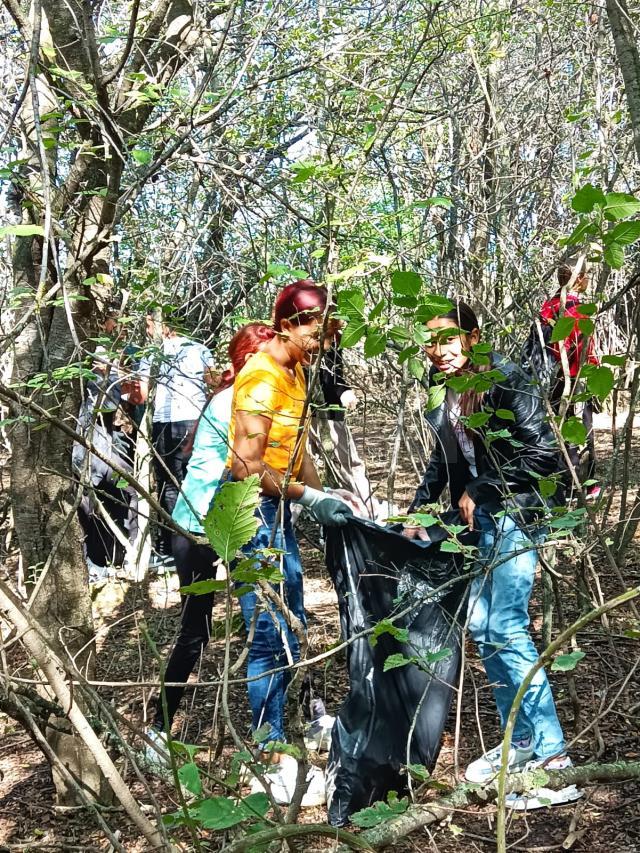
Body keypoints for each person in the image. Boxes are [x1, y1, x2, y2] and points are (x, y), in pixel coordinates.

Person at [403, 300, 583, 810]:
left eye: (447, 338)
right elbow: (445, 459)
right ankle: (521, 742)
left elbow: (546, 452)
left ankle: (553, 762)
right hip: (482, 517)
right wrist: (419, 508)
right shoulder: (447, 392)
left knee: (504, 626)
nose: (437, 351)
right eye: (429, 341)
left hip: (517, 512)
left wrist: (481, 489)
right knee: (484, 628)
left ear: (474, 335)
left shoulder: (505, 376)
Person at [228, 279, 352, 806]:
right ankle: (269, 753)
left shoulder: (297, 372)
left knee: (291, 618)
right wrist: (306, 497)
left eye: (327, 334)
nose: (322, 343)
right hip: (250, 512)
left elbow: (296, 449)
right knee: (267, 631)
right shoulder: (259, 379)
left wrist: (329, 499)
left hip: (279, 508)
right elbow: (246, 466)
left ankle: (285, 730)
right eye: (315, 332)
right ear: (287, 324)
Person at [146, 323, 275, 757]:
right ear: (248, 360)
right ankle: (159, 727)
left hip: (215, 520)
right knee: (210, 629)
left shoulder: (233, 397)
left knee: (264, 621)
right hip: (204, 525)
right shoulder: (239, 400)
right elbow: (244, 467)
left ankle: (295, 715)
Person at [138, 311, 217, 566]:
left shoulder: (153, 354)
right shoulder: (200, 349)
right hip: (197, 421)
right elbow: (214, 384)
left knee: (170, 484)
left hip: (166, 425)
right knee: (198, 479)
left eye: (150, 326)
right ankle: (207, 541)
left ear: (163, 325)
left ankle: (177, 548)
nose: (148, 332)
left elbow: (140, 394)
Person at [521, 257, 599, 498]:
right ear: (580, 279)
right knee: (579, 435)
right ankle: (580, 487)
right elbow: (582, 350)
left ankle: (558, 485)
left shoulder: (546, 308)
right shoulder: (577, 311)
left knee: (555, 433)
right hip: (573, 380)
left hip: (546, 383)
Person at [308, 335, 379, 519]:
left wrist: (343, 391)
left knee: (349, 466)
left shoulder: (333, 336)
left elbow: (333, 373)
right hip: (301, 412)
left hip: (329, 410)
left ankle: (367, 515)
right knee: (302, 467)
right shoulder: (301, 332)